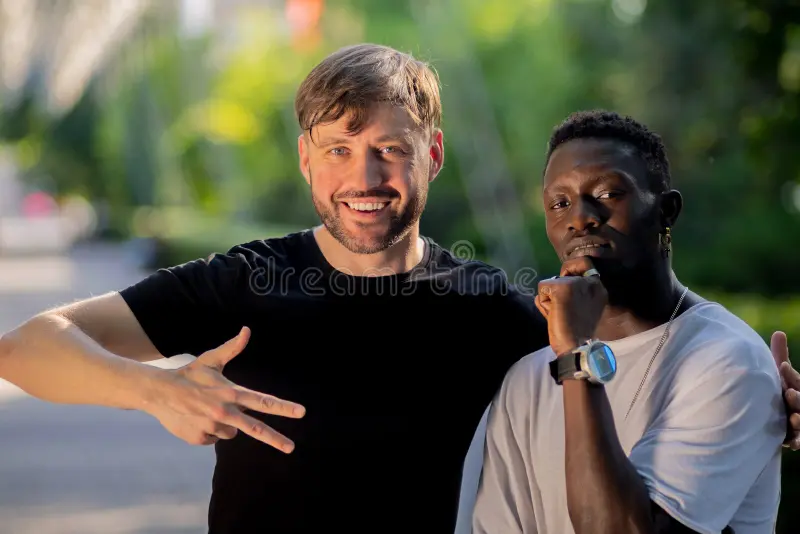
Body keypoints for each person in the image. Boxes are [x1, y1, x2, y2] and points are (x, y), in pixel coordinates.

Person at [0, 46, 797, 533]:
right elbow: (27, 347)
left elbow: (607, 367)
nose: (365, 176)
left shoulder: (489, 309)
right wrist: (150, 391)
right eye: (339, 149)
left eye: (390, 147)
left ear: (434, 154)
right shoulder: (242, 281)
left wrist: (769, 404)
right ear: (306, 160)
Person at [462, 110, 792, 534]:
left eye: (606, 194)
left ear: (666, 212)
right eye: (559, 203)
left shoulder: (729, 362)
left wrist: (577, 358)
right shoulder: (527, 379)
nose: (579, 217)